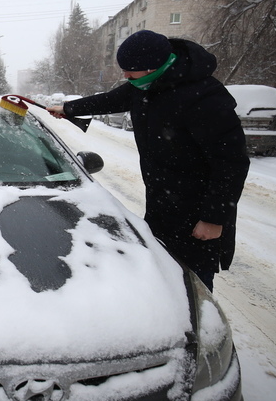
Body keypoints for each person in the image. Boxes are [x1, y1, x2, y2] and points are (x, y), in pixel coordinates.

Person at [48, 30, 249, 291]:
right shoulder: (147, 84)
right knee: (163, 276)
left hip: (198, 210)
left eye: (130, 71)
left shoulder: (205, 96)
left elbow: (231, 162)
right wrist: (69, 109)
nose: (125, 76)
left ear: (153, 66)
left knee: (193, 283)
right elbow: (113, 99)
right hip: (162, 202)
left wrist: (213, 218)